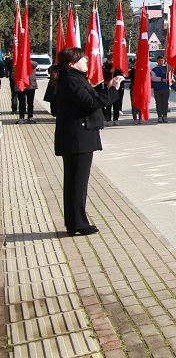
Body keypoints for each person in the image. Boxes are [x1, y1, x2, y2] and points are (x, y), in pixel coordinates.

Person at [54, 47, 126, 235]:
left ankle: (74, 222)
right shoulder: (71, 80)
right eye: (83, 60)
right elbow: (92, 103)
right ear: (71, 63)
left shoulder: (73, 78)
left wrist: (110, 88)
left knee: (74, 182)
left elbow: (92, 98)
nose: (87, 62)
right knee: (77, 182)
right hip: (78, 138)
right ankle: (78, 224)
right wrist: (114, 89)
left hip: (77, 137)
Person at [151, 55, 171, 123]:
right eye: (159, 60)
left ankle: (165, 116)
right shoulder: (154, 69)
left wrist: (169, 59)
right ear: (157, 61)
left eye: (162, 60)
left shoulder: (166, 68)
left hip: (165, 89)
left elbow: (172, 68)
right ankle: (159, 116)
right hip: (157, 89)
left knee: (165, 103)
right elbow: (153, 78)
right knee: (158, 103)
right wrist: (162, 79)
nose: (161, 62)